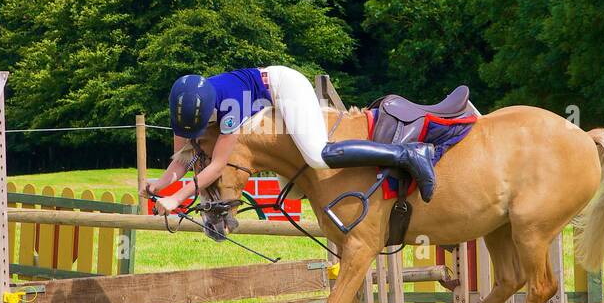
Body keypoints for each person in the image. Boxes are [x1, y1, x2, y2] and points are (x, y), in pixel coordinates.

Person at [144, 66, 437, 213]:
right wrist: (160, 185)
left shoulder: (229, 106)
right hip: (261, 93)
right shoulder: (182, 109)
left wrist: (178, 197)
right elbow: (182, 159)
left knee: (316, 156)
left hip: (283, 87)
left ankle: (407, 155)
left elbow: (219, 164)